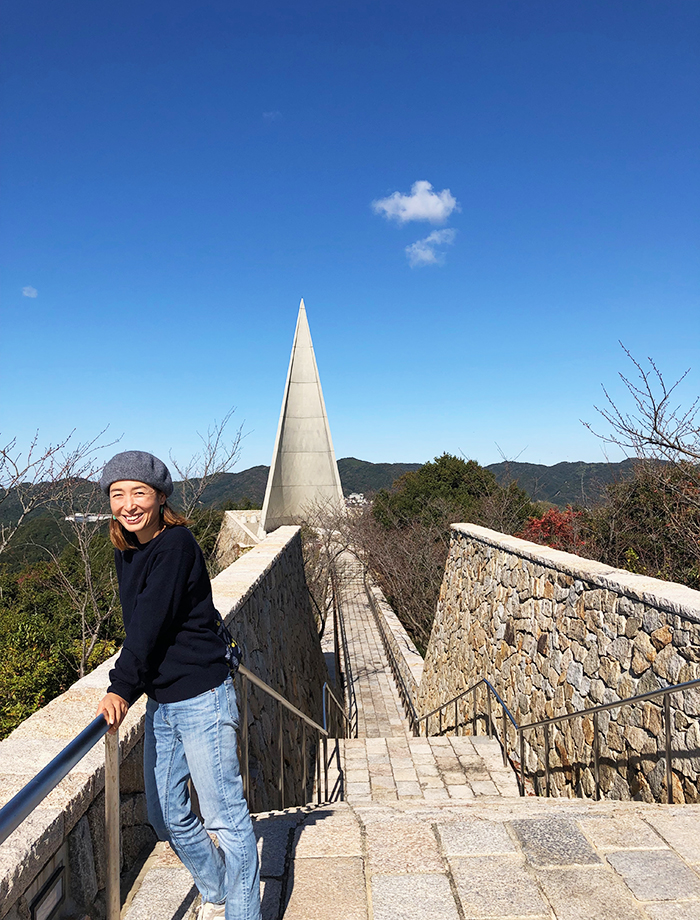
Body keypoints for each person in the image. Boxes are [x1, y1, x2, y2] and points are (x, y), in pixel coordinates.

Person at [95, 450, 261, 920]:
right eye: (117, 493)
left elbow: (147, 625)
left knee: (225, 818)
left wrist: (120, 687)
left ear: (160, 496)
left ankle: (242, 911)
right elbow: (143, 625)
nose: (128, 504)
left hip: (202, 698)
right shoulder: (127, 547)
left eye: (139, 493)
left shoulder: (176, 544)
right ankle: (220, 887)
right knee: (166, 816)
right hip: (164, 700)